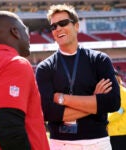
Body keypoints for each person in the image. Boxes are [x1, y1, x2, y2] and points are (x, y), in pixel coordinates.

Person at [36, 4, 120, 150]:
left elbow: (112, 103)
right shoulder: (45, 67)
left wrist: (63, 99)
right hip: (61, 143)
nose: (58, 29)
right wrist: (95, 102)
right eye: (53, 27)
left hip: (98, 142)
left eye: (63, 23)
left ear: (76, 26)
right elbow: (48, 112)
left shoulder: (100, 60)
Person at [0, 11, 49, 150]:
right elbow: (9, 131)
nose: (29, 36)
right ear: (15, 32)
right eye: (26, 30)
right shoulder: (15, 63)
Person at [107, 69, 126, 150]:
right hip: (109, 133)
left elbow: (119, 111)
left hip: (120, 133)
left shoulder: (123, 92)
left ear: (118, 77)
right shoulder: (109, 92)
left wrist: (103, 120)